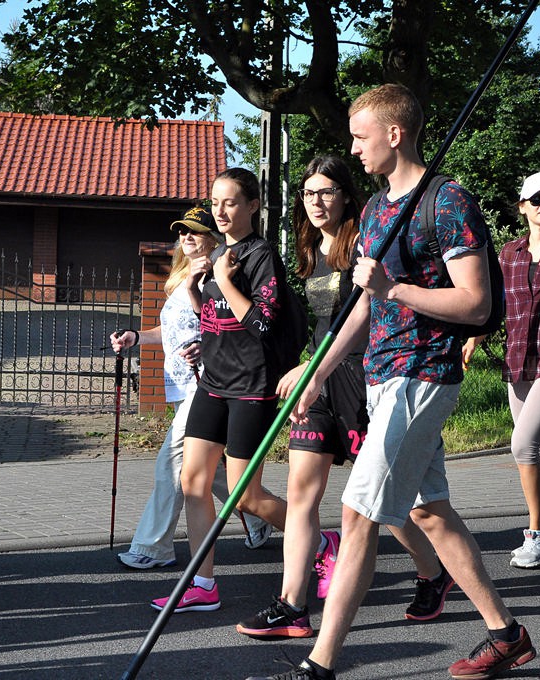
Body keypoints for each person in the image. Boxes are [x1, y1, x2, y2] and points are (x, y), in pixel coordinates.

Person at [246, 84, 536, 680]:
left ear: (395, 134)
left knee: (357, 516)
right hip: (381, 376)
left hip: (423, 374)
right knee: (429, 512)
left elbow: (477, 305)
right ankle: (506, 635)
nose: (352, 149)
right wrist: (318, 373)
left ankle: (319, 664)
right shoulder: (379, 208)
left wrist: (393, 289)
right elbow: (362, 306)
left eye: (360, 135)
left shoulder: (448, 201)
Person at [236, 156, 447, 640]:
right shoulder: (309, 248)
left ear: (346, 197)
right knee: (300, 493)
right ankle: (292, 604)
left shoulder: (363, 243)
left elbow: (369, 317)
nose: (316, 202)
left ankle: (433, 570)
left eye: (326, 192)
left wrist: (316, 365)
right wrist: (305, 365)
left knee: (389, 502)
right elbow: (321, 325)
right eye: (308, 193)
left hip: (365, 377)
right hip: (320, 378)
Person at [150, 168, 289, 613]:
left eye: (231, 202)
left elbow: (263, 323)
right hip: (213, 382)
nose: (221, 210)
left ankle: (322, 540)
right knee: (192, 480)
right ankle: (203, 584)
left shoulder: (261, 255)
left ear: (252, 206)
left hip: (252, 386)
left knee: (245, 493)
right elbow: (216, 320)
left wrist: (225, 280)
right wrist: (195, 289)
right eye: (215, 202)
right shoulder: (218, 255)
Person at [110, 207, 270, 570]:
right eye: (182, 232)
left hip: (207, 384)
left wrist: (206, 343)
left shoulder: (223, 273)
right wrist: (137, 337)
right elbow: (171, 331)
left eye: (195, 232)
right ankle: (259, 518)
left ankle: (154, 547)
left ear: (213, 237)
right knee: (207, 472)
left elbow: (235, 324)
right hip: (184, 387)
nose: (187, 237)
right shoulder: (181, 276)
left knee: (169, 463)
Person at [463, 172, 540, 569]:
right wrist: (475, 337)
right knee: (539, 449)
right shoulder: (508, 253)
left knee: (523, 444)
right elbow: (496, 305)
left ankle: (534, 534)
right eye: (535, 199)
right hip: (519, 358)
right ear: (522, 207)